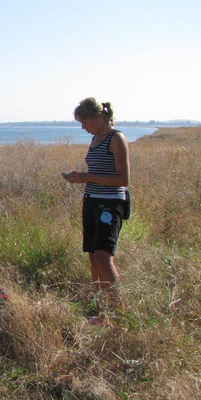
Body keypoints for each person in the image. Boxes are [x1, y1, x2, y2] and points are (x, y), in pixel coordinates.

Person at [63, 97, 129, 323]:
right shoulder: (96, 139)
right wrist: (81, 179)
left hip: (109, 204)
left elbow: (123, 179)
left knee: (103, 257)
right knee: (93, 257)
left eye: (84, 121)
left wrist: (86, 177)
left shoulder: (116, 138)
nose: (83, 127)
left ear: (98, 117)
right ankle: (102, 313)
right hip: (91, 201)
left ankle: (118, 314)